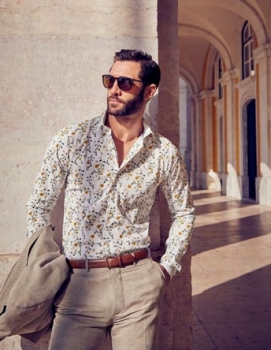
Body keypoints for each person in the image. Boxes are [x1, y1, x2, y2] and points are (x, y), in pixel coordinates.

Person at [25, 49, 195, 349]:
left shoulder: (163, 152)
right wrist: (47, 267)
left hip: (138, 285)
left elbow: (183, 212)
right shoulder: (72, 139)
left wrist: (165, 269)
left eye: (125, 83)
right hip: (77, 286)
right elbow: (39, 204)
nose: (114, 89)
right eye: (110, 79)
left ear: (149, 91)